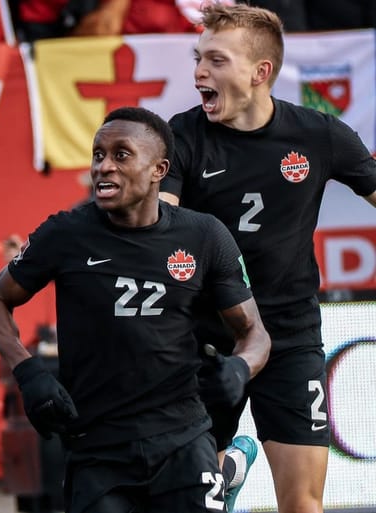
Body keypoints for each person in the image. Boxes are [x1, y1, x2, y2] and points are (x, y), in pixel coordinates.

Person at [0, 107, 271, 513]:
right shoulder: (65, 233)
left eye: (121, 155)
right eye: (98, 155)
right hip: (98, 448)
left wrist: (240, 368)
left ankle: (225, 469)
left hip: (183, 438)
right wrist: (27, 372)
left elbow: (254, 332)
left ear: (158, 170)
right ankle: (228, 472)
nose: (104, 167)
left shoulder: (204, 235)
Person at [161, 4, 376, 512]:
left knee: (302, 504)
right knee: (193, 500)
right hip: (206, 337)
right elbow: (157, 229)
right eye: (198, 59)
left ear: (261, 73)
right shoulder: (181, 135)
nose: (198, 72)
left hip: (288, 335)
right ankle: (228, 470)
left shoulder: (319, 134)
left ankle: (230, 469)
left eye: (215, 60)